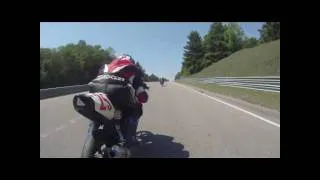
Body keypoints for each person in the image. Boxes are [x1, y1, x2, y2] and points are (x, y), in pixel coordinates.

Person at [81, 54, 149, 158]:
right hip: (118, 92)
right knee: (134, 110)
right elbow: (141, 93)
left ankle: (91, 136)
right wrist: (143, 96)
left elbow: (97, 78)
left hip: (96, 90)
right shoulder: (133, 68)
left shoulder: (105, 67)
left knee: (95, 118)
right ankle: (127, 142)